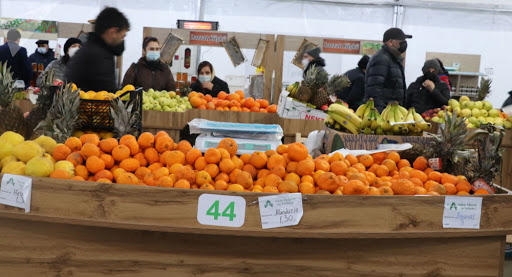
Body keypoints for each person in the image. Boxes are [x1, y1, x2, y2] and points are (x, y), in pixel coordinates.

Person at [66, 7, 130, 92]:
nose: (122, 41)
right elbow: (107, 95)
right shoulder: (99, 56)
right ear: (113, 32)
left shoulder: (90, 48)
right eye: (122, 36)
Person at [365, 27, 412, 112]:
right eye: (401, 41)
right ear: (390, 42)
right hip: (384, 115)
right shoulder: (382, 59)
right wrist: (380, 114)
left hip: (393, 113)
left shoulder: (394, 60)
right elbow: (374, 90)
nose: (404, 44)